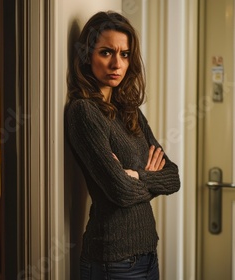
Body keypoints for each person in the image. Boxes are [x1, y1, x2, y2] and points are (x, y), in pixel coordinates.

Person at [64, 11, 181, 279]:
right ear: (86, 56)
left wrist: (137, 174)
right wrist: (149, 177)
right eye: (106, 52)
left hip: (148, 253)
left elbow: (173, 177)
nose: (117, 63)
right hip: (112, 262)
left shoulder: (129, 110)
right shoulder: (84, 112)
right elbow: (120, 192)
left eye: (125, 54)